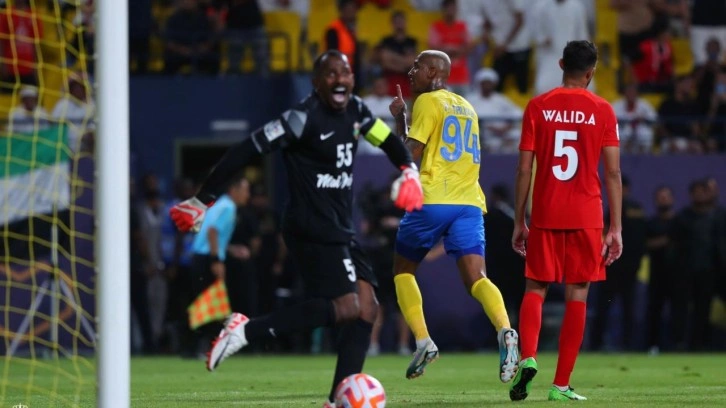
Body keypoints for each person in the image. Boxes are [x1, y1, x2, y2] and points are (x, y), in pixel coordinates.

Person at [169, 50, 423, 407]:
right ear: (317, 83)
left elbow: (389, 142)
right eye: (330, 74)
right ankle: (244, 331)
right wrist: (202, 199)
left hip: (339, 227)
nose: (340, 80)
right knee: (348, 307)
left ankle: (337, 399)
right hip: (309, 224)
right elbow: (246, 150)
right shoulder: (300, 119)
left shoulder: (359, 112)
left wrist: (409, 170)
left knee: (367, 308)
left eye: (345, 73)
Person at [387, 50, 520, 382]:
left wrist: (398, 123)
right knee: (477, 278)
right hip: (469, 203)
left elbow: (409, 153)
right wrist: (404, 118)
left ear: (434, 71)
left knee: (402, 270)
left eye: (417, 65)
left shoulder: (429, 102)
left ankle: (422, 341)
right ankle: (505, 329)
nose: (411, 70)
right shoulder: (467, 106)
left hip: (433, 198)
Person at [510, 40, 623, 401]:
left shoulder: (538, 106)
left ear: (561, 64)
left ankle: (528, 357)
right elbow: (614, 172)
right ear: (591, 72)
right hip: (587, 214)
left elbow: (524, 168)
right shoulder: (603, 109)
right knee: (578, 294)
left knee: (536, 289)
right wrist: (615, 227)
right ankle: (560, 385)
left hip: (545, 212)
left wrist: (519, 220)